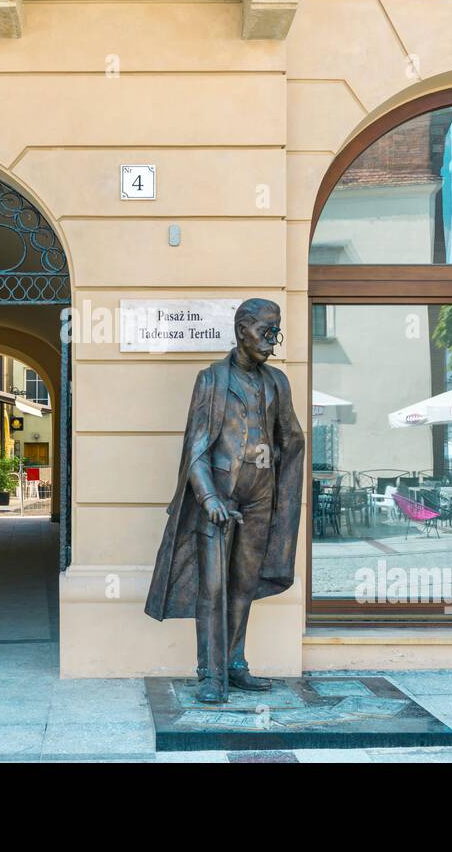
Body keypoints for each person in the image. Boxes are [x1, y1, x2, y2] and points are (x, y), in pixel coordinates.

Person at [144, 298, 304, 703]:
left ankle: (235, 663)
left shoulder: (277, 382)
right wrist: (209, 496)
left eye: (275, 333)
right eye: (267, 333)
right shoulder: (211, 380)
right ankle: (210, 673)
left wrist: (280, 482)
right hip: (218, 501)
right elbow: (194, 449)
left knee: (243, 586)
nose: (272, 342)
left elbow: (291, 438)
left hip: (259, 500)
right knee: (212, 587)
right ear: (241, 331)